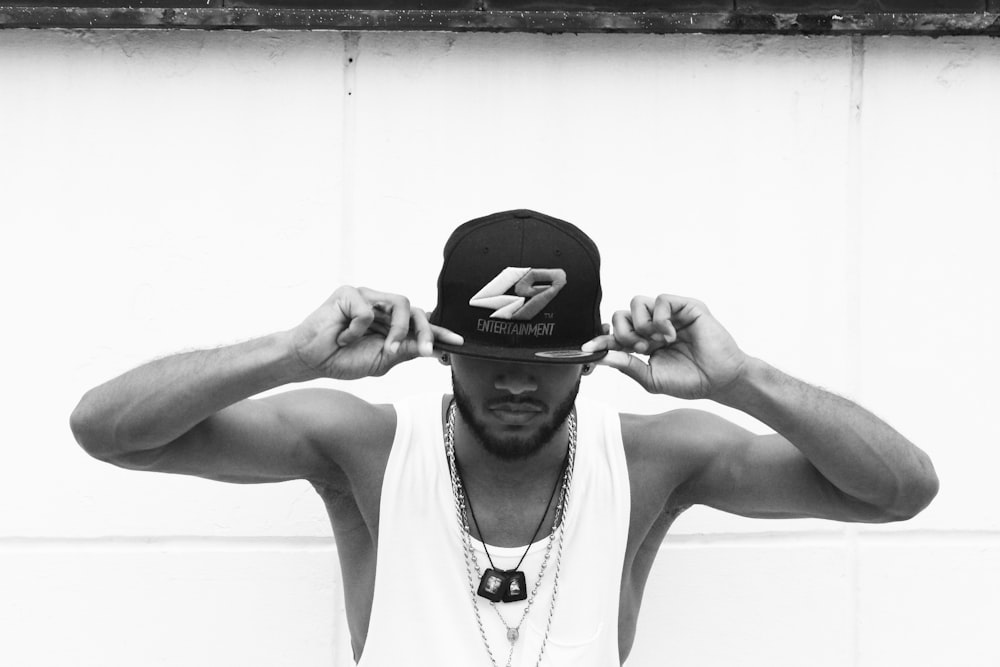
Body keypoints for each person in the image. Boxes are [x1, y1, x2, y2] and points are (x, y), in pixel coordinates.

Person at [70, 209, 939, 666]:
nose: (517, 382)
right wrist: (291, 353)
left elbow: (899, 491)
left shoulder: (651, 459)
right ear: (443, 348)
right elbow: (108, 432)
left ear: (595, 353)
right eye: (487, 356)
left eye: (549, 357)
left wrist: (740, 377)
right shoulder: (369, 448)